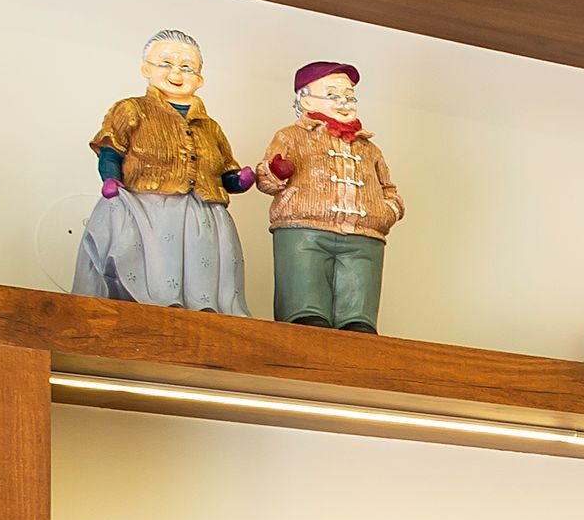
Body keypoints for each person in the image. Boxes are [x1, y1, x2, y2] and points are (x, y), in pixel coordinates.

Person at [76, 31, 256, 315]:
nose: (177, 72)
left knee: (199, 266)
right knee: (155, 260)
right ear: (145, 68)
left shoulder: (210, 127)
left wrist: (241, 180)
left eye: (187, 67)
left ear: (199, 79)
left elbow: (224, 173)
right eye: (166, 63)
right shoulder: (132, 109)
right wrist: (111, 179)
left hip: (203, 214)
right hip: (147, 207)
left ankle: (201, 307)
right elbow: (112, 149)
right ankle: (156, 303)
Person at [253, 61, 405, 332]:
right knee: (304, 284)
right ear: (305, 99)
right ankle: (305, 313)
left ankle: (356, 318)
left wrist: (389, 210)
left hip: (364, 233)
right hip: (305, 228)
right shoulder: (290, 136)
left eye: (349, 96)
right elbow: (266, 181)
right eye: (333, 95)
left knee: (360, 290)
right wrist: (276, 171)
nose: (344, 102)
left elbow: (387, 187)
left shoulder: (369, 148)